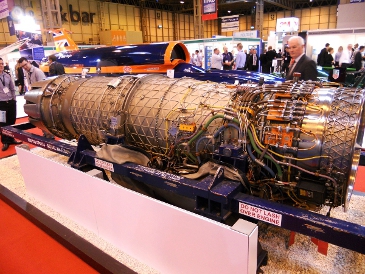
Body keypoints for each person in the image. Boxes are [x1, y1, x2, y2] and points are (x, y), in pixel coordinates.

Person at [0, 57, 22, 151]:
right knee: (3, 123)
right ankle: (5, 141)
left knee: (12, 122)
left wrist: (14, 99)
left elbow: (12, 88)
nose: (1, 65)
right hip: (1, 104)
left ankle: (11, 138)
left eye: (2, 63)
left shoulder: (7, 75)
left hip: (11, 102)